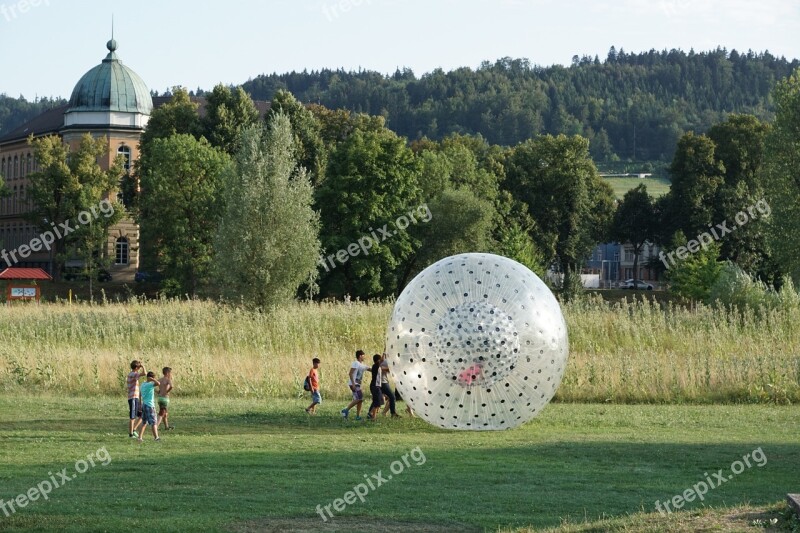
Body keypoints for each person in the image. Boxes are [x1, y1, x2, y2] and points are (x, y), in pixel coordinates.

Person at [341, 350, 369, 420]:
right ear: (360, 356)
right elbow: (350, 373)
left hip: (357, 384)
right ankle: (345, 410)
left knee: (360, 400)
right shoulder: (356, 363)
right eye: (363, 356)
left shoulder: (362, 365)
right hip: (354, 384)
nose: (364, 357)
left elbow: (372, 369)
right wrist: (353, 384)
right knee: (360, 398)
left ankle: (358, 416)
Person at [138, 372, 161, 442]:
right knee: (154, 422)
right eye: (153, 377)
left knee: (144, 422)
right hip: (150, 406)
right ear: (150, 378)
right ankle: (156, 438)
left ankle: (140, 437)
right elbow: (158, 383)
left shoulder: (143, 384)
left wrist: (140, 403)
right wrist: (153, 380)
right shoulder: (150, 384)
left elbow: (140, 394)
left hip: (144, 405)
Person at [126, 360, 146, 438]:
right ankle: (131, 434)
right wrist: (143, 366)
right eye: (138, 367)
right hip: (133, 397)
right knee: (132, 416)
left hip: (135, 397)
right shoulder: (133, 374)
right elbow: (145, 373)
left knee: (141, 415)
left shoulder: (132, 374)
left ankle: (134, 429)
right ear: (137, 367)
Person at [379, 353, 399, 417]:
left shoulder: (384, 362)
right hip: (383, 383)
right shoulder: (382, 362)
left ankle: (387, 412)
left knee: (391, 397)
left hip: (383, 382)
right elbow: (383, 368)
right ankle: (393, 413)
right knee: (392, 397)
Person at [367, 354, 384, 420]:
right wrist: (384, 352)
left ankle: (372, 414)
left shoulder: (376, 366)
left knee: (379, 401)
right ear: (378, 360)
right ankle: (372, 416)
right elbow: (382, 360)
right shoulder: (376, 366)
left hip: (376, 386)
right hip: (375, 386)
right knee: (377, 402)